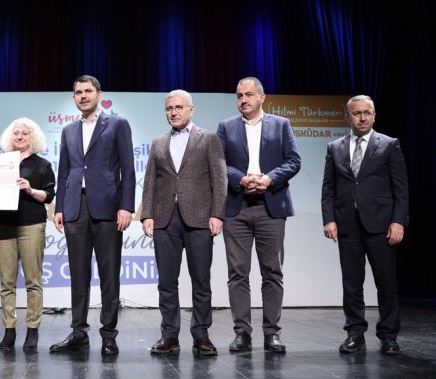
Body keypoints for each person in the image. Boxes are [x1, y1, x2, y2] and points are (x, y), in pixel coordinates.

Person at [50, 75, 135, 356]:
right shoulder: (68, 130)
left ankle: (109, 335)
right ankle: (79, 333)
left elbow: (128, 168)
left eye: (88, 91)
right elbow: (64, 172)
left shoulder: (117, 124)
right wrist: (60, 206)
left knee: (109, 274)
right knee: (78, 274)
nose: (83, 96)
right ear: (73, 97)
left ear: (99, 94)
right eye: (78, 92)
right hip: (75, 207)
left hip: (109, 207)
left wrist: (126, 206)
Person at [217, 77, 301, 353]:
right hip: (237, 208)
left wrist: (268, 179)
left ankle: (272, 333)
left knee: (272, 273)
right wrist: (241, 179)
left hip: (270, 206)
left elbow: (293, 161)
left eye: (249, 94)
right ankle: (242, 332)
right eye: (239, 95)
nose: (243, 99)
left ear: (262, 97)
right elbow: (219, 164)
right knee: (237, 273)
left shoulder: (281, 124)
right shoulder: (226, 126)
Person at [141, 90, 227, 356]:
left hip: (200, 218)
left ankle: (201, 335)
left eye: (179, 107)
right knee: (167, 282)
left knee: (201, 280)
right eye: (169, 108)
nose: (173, 112)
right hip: (165, 219)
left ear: (192, 109)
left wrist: (217, 214)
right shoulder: (158, 142)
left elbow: (220, 179)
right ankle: (169, 336)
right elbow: (150, 182)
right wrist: (147, 215)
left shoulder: (209, 139)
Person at [321, 95, 408, 355]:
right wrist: (329, 219)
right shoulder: (335, 147)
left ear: (374, 115)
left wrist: (398, 221)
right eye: (357, 113)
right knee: (352, 282)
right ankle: (355, 334)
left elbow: (401, 189)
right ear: (347, 117)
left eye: (367, 113)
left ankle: (389, 335)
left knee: (386, 282)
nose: (362, 117)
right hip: (348, 224)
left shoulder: (389, 145)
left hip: (381, 224)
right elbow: (329, 188)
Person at [0, 117, 55, 351]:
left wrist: (29, 188)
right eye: (16, 133)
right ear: (10, 137)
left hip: (31, 226)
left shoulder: (42, 165)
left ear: (32, 137)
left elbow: (48, 196)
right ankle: (9, 330)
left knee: (33, 282)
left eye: (24, 133)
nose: (19, 137)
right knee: (7, 282)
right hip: (4, 226)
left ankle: (33, 330)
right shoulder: (0, 163)